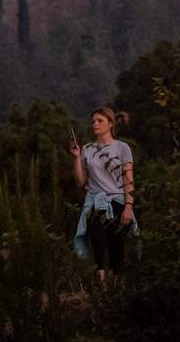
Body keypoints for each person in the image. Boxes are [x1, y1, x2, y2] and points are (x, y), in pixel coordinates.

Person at [69, 105, 137, 276]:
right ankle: (101, 282)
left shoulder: (122, 148)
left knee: (116, 246)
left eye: (100, 120)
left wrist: (128, 206)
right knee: (97, 243)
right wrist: (77, 157)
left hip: (117, 201)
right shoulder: (87, 149)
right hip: (95, 201)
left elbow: (129, 180)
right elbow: (80, 182)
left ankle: (116, 285)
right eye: (93, 121)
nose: (95, 124)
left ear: (110, 124)